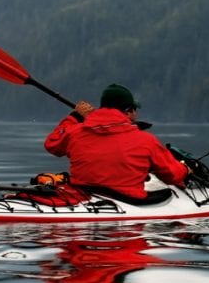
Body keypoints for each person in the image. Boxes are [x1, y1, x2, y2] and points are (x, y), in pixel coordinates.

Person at [43, 83, 188, 202]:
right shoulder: (146, 140)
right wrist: (185, 169)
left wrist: (75, 116)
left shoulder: (75, 131)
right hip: (128, 201)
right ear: (128, 111)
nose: (137, 114)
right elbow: (172, 176)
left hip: (83, 194)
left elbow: (52, 144)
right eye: (134, 110)